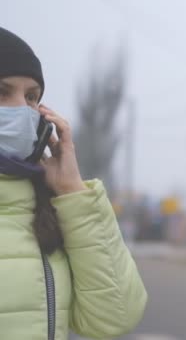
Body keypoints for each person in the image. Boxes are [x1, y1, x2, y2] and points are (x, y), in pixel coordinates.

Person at [0, 27, 147, 339]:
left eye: (31, 97)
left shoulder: (46, 210)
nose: (21, 109)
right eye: (2, 92)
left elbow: (114, 317)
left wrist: (72, 191)